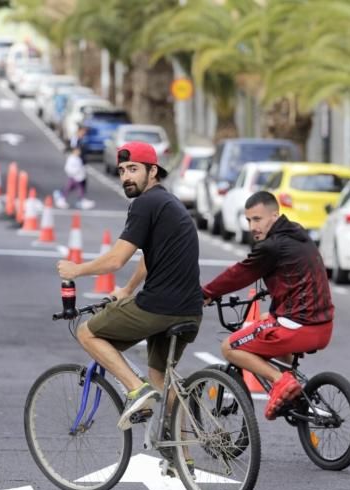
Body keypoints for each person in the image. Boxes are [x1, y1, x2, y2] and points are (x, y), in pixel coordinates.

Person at [57, 141, 203, 430]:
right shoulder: (168, 203)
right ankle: (181, 455)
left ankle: (136, 390)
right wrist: (127, 290)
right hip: (189, 311)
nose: (126, 177)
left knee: (87, 333)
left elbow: (115, 260)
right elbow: (149, 260)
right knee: (160, 377)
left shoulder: (145, 204)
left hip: (159, 307)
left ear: (153, 171)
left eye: (134, 169)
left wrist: (76, 269)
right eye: (122, 170)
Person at [201, 191, 334, 420]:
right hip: (323, 326)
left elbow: (240, 273)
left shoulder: (271, 246)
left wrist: (206, 293)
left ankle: (280, 381)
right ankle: (296, 393)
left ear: (275, 215)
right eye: (249, 220)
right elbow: (295, 276)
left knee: (229, 347)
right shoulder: (298, 234)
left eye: (257, 219)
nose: (252, 226)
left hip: (298, 327)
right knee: (267, 320)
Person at [56, 145, 94, 210]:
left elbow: (80, 167)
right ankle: (80, 200)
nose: (79, 152)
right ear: (74, 151)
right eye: (78, 150)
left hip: (78, 177)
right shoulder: (71, 158)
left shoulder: (78, 158)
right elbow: (68, 168)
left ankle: (61, 197)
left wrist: (82, 172)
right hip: (74, 177)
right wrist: (75, 172)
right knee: (78, 189)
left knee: (70, 188)